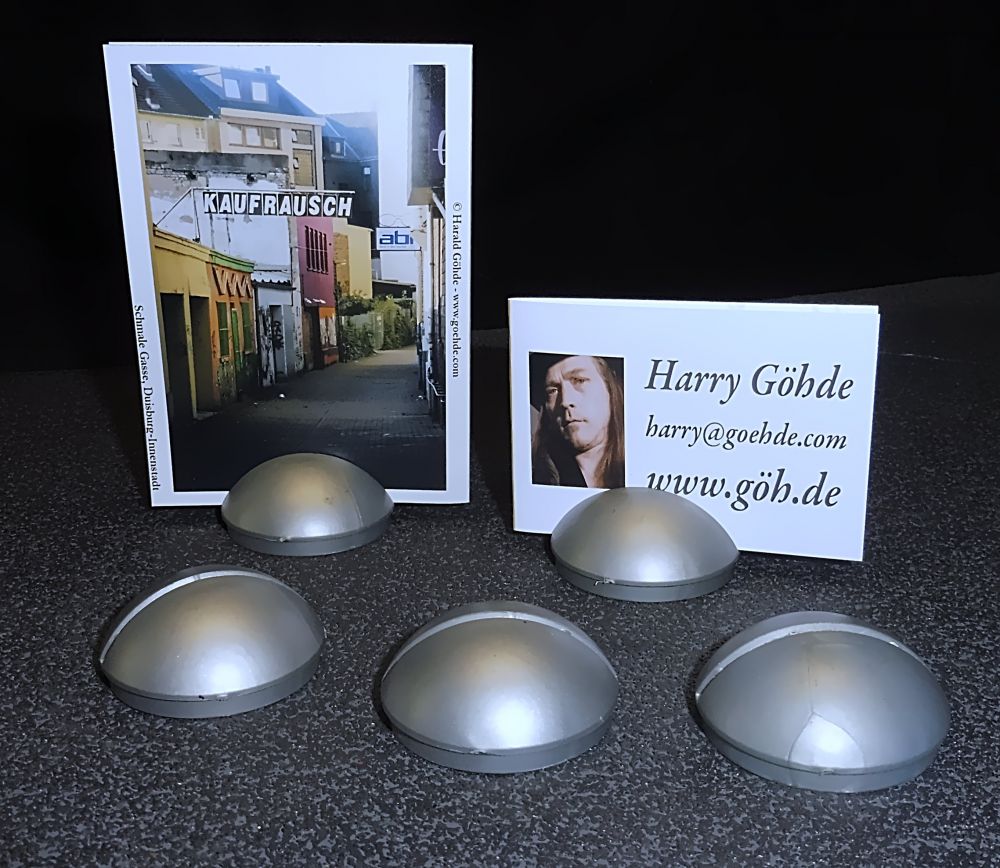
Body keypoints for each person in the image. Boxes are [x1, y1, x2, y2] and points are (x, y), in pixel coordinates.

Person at [531, 354, 625, 489]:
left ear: (610, 387)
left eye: (579, 380)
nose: (565, 401)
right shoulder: (539, 479)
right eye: (552, 391)